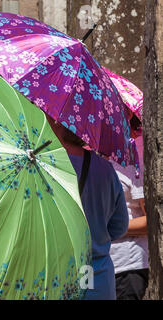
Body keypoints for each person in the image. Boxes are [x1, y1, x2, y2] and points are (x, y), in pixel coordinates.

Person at [46, 115, 129, 300]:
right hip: (98, 277)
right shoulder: (106, 170)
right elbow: (120, 226)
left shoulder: (47, 166)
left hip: (57, 277)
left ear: (58, 124)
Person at [109, 113, 148, 300]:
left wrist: (106, 228)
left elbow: (152, 222)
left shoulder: (135, 152)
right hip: (93, 265)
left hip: (127, 267)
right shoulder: (92, 155)